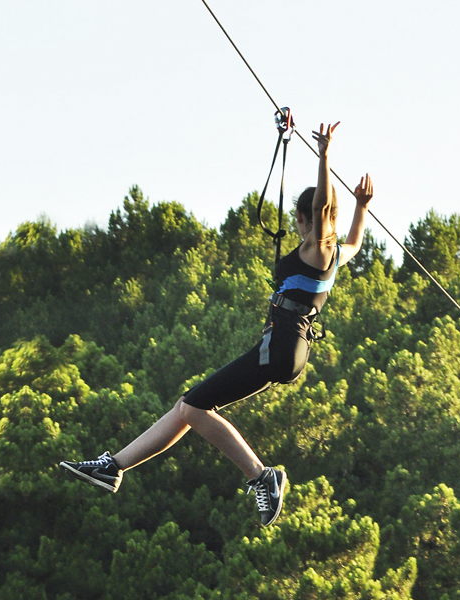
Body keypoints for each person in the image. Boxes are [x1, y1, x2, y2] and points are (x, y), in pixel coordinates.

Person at [60, 122, 374, 527]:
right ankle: (114, 466)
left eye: (304, 217)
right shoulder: (334, 256)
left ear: (302, 217)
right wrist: (362, 207)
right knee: (187, 407)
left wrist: (325, 154)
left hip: (280, 347)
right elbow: (357, 241)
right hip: (286, 350)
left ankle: (262, 476)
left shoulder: (316, 247)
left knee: (194, 407)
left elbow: (322, 209)